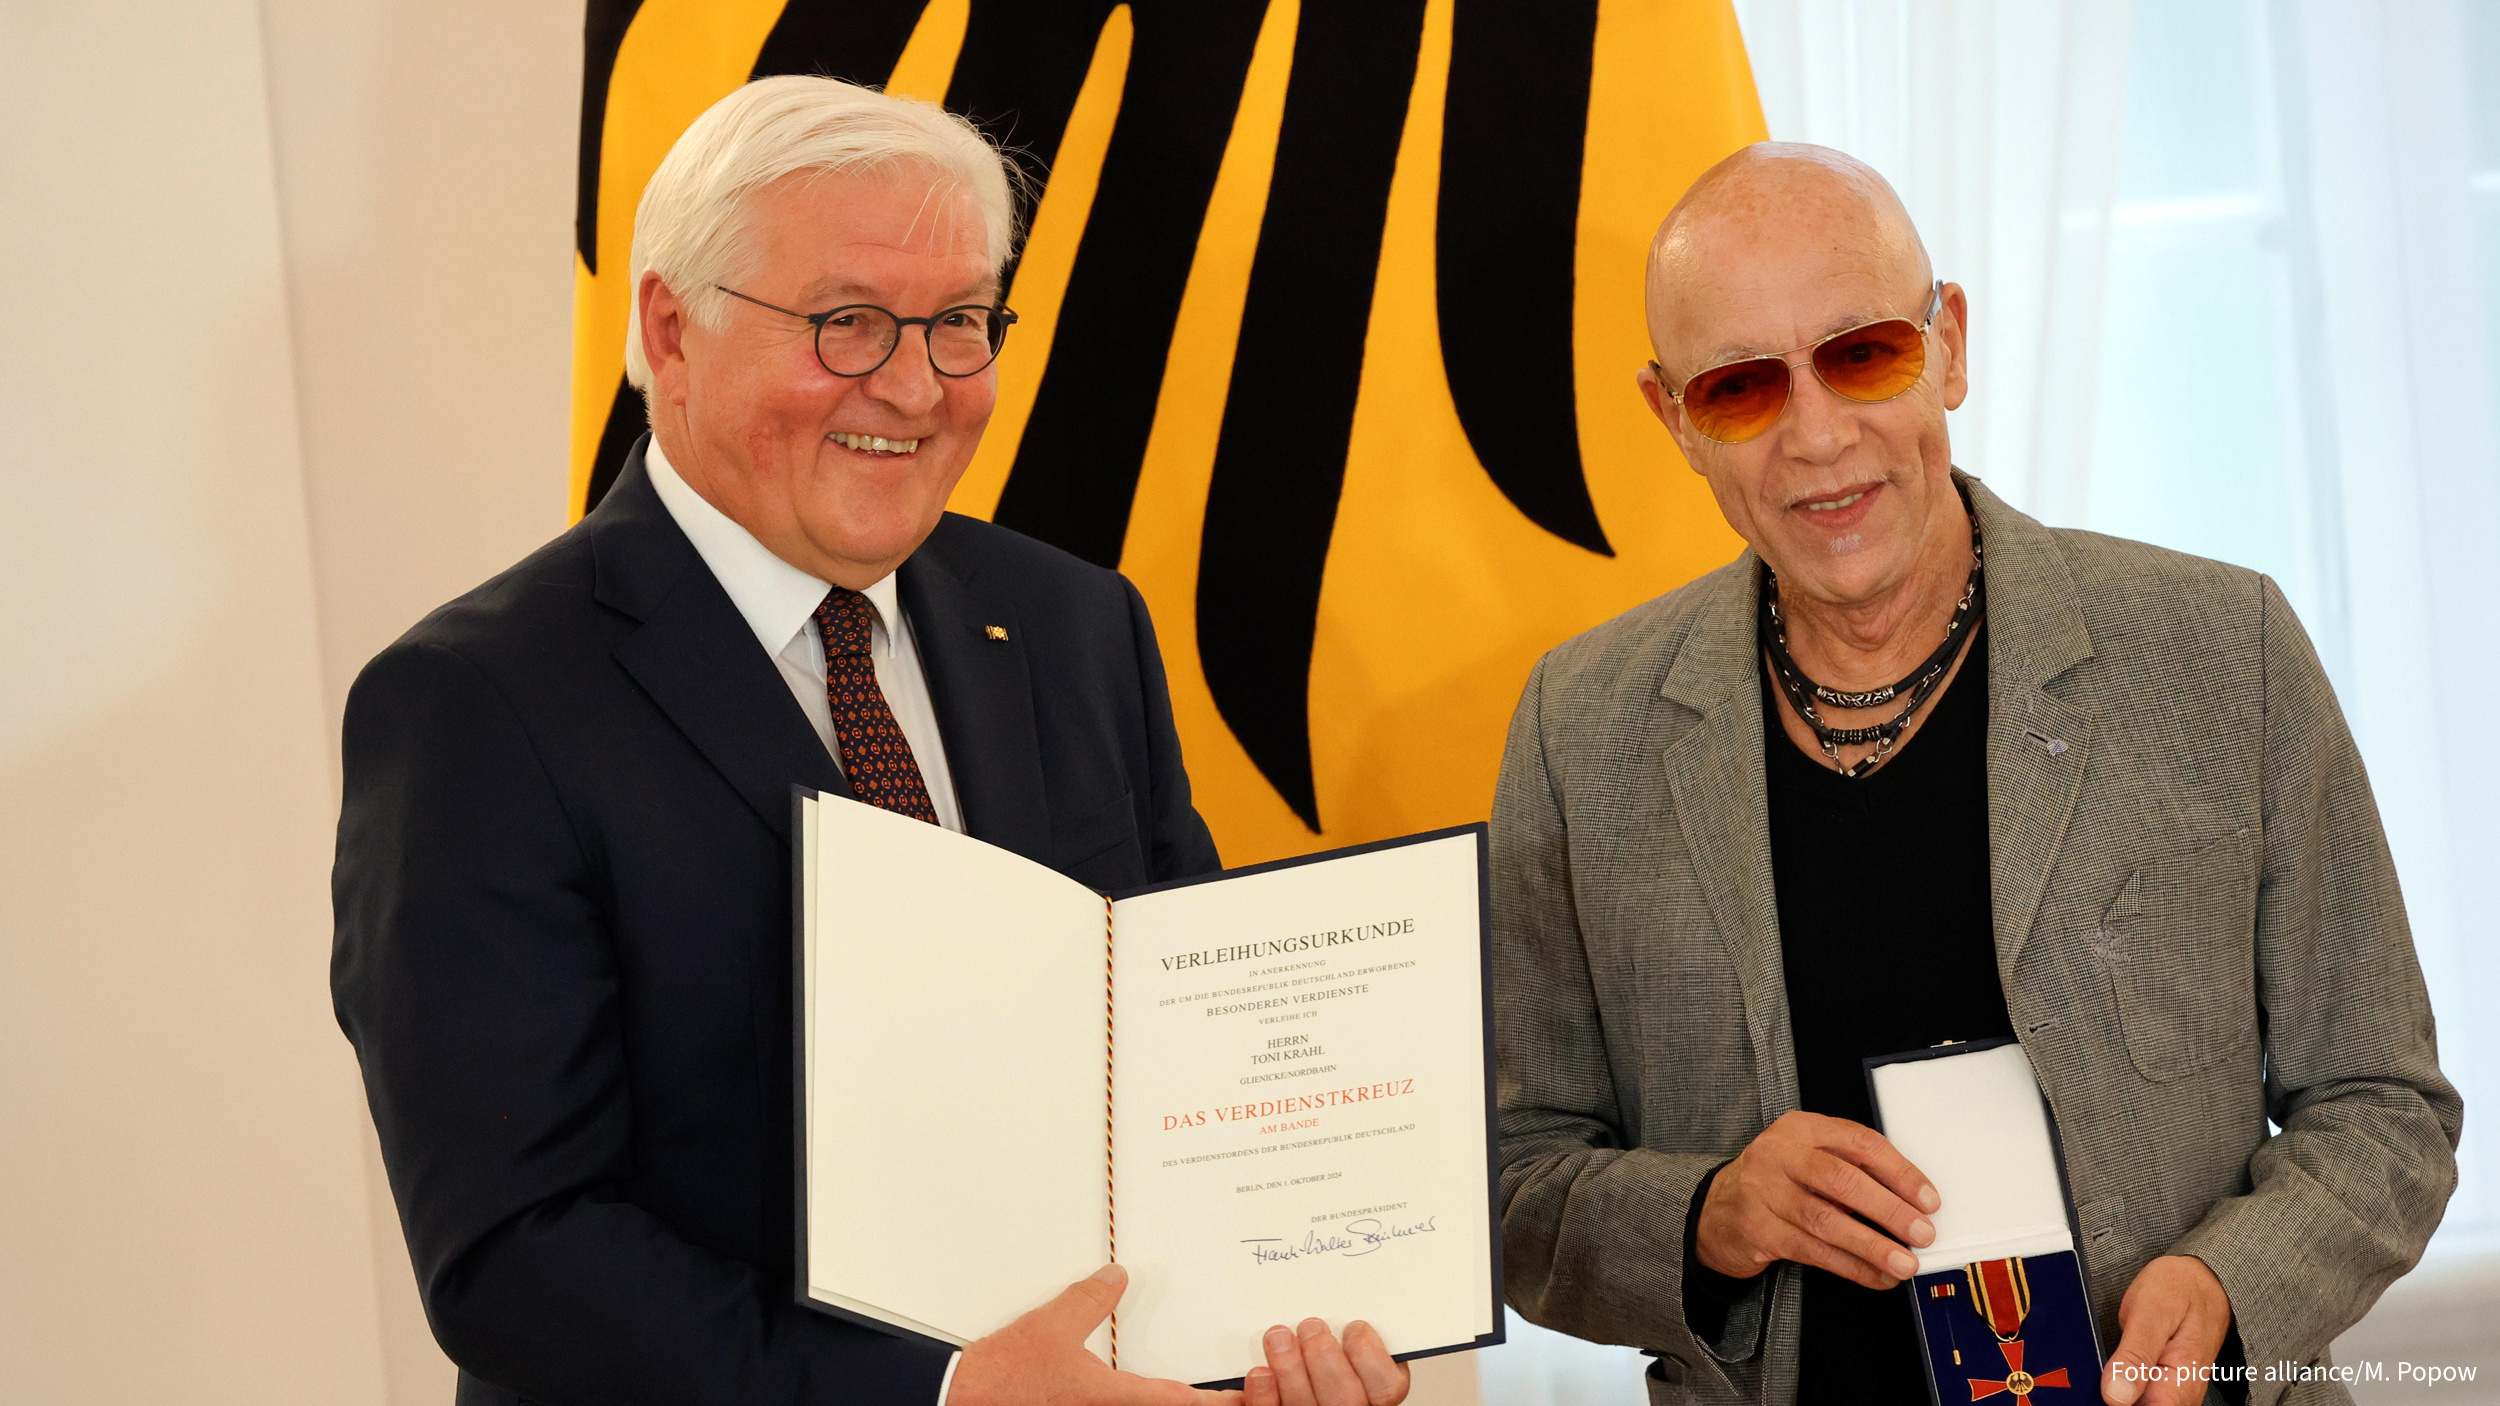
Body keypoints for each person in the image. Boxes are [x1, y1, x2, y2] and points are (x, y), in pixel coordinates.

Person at [333, 76, 1409, 1406]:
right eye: (847, 323)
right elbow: (514, 1252)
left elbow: (1186, 1070)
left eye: (960, 322)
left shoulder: (1078, 624)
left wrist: (1271, 1329)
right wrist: (945, 1393)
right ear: (670, 329)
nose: (913, 385)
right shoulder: (474, 706)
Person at [1490, 142, 2460, 1406]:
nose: (1816, 434)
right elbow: (1519, 1180)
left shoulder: (2225, 650)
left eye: (1861, 354)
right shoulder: (1581, 725)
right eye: (1740, 387)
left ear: (1948, 342)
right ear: (1672, 418)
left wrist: (2228, 1285)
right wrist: (1706, 1214)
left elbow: (2385, 1106)